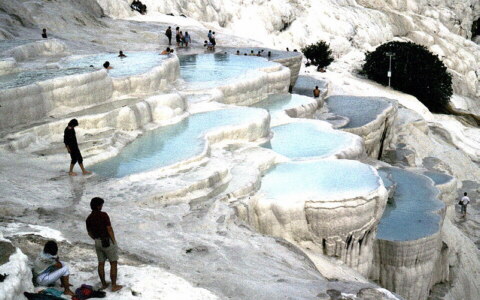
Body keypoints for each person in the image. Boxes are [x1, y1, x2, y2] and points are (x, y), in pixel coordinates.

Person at [86, 197, 123, 292]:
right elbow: (109, 229)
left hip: (97, 242)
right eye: (101, 204)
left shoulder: (89, 218)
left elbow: (89, 233)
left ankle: (104, 284)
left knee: (101, 263)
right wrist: (114, 241)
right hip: (107, 241)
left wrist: (96, 239)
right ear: (98, 206)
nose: (102, 206)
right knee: (113, 263)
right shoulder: (103, 215)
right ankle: (114, 286)